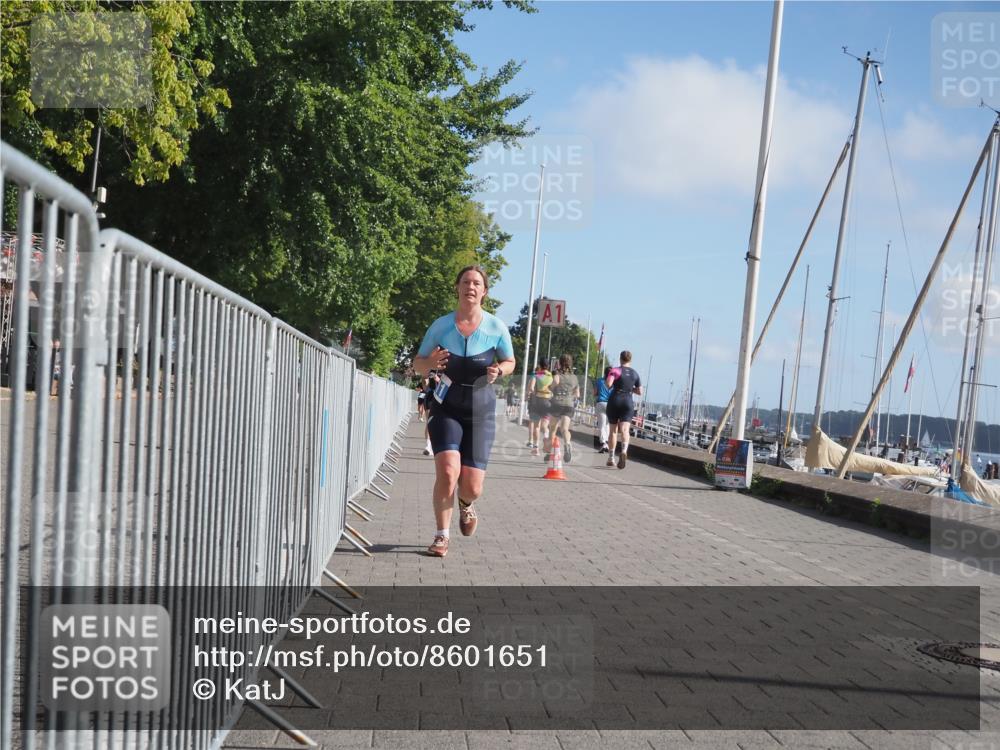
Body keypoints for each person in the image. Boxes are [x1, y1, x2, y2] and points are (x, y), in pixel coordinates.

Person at [413, 266, 515, 558]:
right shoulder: (441, 326)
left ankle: (466, 503)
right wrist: (430, 363)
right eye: (466, 282)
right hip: (446, 407)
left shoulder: (496, 327)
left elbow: (510, 362)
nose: (471, 286)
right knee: (447, 472)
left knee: (472, 486)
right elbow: (418, 364)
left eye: (477, 283)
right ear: (457, 287)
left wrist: (499, 370)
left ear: (484, 291)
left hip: (480, 412)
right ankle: (441, 536)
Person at [605, 350, 642, 469]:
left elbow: (608, 384)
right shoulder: (635, 374)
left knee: (613, 431)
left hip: (615, 399)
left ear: (620, 359)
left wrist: (614, 382)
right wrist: (630, 389)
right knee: (625, 430)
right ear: (630, 360)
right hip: (627, 401)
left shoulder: (615, 370)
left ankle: (611, 458)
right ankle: (624, 451)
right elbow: (640, 391)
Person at [550, 354, 580, 463]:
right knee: (564, 429)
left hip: (557, 403)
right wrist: (570, 396)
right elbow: (577, 394)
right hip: (569, 405)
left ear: (560, 363)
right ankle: (567, 444)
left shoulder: (557, 374)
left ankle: (550, 452)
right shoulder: (574, 377)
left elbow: (555, 383)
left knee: (553, 428)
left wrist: (550, 387)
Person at [527, 359, 554, 456]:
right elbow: (554, 388)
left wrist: (535, 393)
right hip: (548, 402)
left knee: (537, 426)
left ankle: (536, 448)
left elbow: (531, 388)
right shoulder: (551, 376)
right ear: (548, 366)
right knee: (545, 426)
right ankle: (546, 437)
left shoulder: (537, 375)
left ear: (540, 365)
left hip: (537, 402)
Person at [593, 366, 613, 453]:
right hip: (610, 404)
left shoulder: (599, 381)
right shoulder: (613, 382)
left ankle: (603, 443)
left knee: (601, 424)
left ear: (604, 373)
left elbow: (595, 393)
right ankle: (607, 443)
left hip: (601, 403)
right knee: (607, 425)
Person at [422, 372, 439, 455]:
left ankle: (433, 446)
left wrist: (439, 380)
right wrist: (424, 377)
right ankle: (428, 446)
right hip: (430, 397)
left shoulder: (447, 368)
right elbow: (425, 387)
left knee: (439, 423)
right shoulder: (430, 369)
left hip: (441, 398)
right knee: (429, 422)